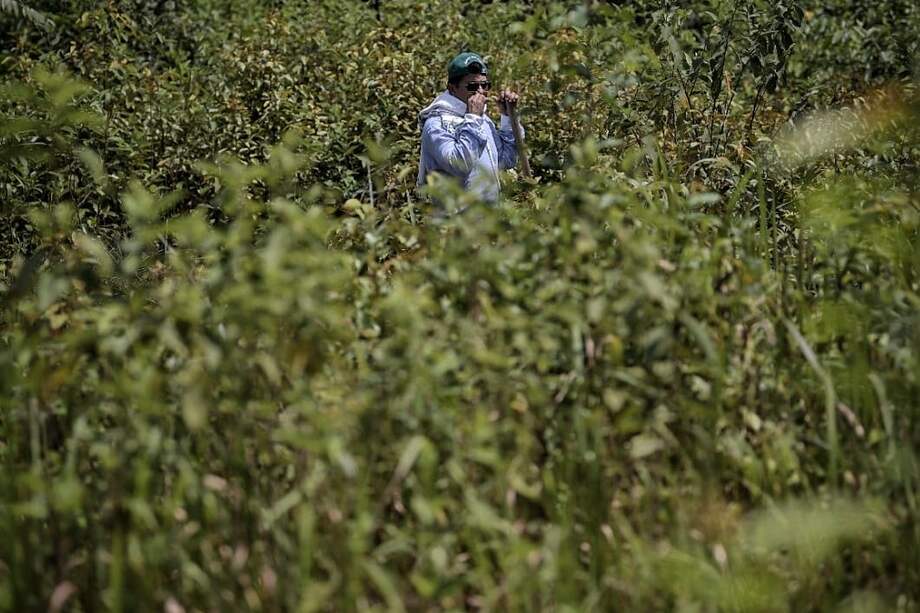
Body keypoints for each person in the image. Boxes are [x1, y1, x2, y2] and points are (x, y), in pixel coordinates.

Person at [416, 52, 523, 204]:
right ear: (452, 88)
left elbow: (506, 160)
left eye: (485, 85)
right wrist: (473, 119)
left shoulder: (482, 120)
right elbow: (459, 165)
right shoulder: (436, 124)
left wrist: (508, 117)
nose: (481, 91)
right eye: (472, 86)